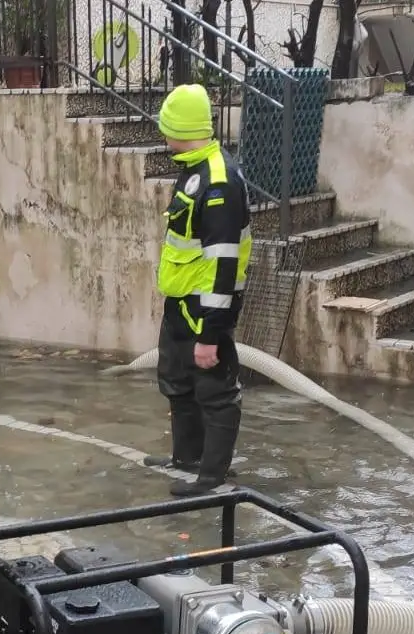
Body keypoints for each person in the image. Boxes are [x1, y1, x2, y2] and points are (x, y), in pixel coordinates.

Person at [140, 85, 253, 497]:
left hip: (206, 308)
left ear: (181, 128)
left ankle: (212, 476)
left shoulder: (218, 182)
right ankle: (186, 458)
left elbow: (223, 264)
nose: (163, 135)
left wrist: (210, 334)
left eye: (167, 127)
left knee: (215, 391)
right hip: (181, 303)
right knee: (177, 382)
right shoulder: (194, 169)